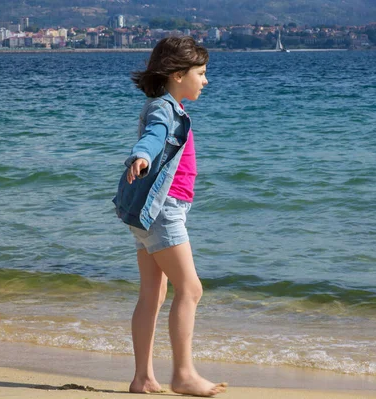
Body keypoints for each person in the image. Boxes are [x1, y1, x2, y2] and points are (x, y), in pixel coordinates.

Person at [112, 36, 227, 397]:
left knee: (153, 294)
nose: (205, 80)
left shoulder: (168, 105)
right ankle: (183, 374)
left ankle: (143, 378)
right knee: (191, 289)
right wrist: (141, 157)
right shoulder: (163, 109)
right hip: (164, 211)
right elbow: (153, 135)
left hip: (150, 211)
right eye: (201, 73)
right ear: (178, 75)